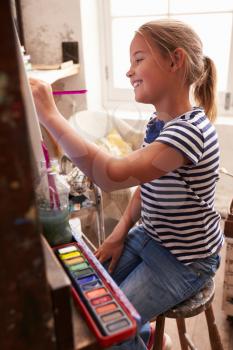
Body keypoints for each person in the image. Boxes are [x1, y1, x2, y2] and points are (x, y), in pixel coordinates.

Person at [30, 19, 224, 350]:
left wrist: (50, 115)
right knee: (86, 301)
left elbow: (111, 174)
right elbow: (146, 189)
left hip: (186, 259)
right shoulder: (159, 124)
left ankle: (137, 339)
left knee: (111, 330)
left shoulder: (190, 133)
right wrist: (119, 234)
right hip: (152, 236)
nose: (128, 71)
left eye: (138, 59)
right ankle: (149, 338)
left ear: (175, 61)